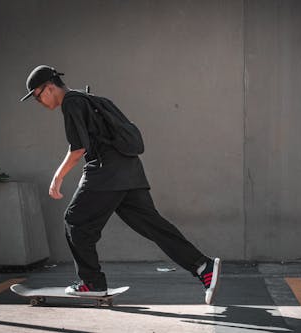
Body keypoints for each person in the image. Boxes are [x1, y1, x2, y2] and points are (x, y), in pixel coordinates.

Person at [20, 65, 221, 304]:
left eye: (37, 96)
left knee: (75, 221)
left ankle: (90, 282)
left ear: (49, 88)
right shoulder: (87, 98)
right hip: (129, 170)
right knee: (153, 226)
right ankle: (203, 266)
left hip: (105, 172)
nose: (39, 101)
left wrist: (58, 175)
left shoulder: (71, 103)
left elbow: (79, 148)